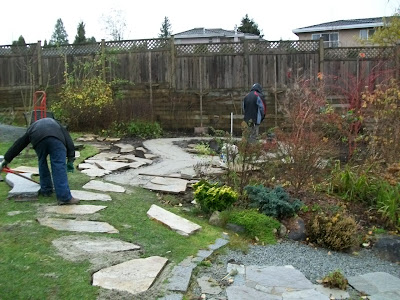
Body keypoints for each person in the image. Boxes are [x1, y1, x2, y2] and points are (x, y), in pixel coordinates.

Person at [1, 118, 78, 205]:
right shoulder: (58, 125)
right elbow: (69, 141)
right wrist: (71, 159)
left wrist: (6, 159)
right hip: (56, 139)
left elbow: (19, 144)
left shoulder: (32, 127)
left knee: (42, 162)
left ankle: (46, 190)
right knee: (58, 165)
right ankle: (64, 198)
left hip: (38, 138)